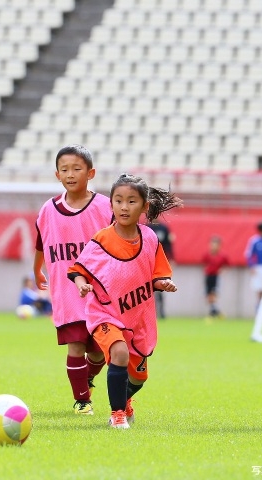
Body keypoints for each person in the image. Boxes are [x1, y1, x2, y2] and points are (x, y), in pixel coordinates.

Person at [68, 173, 182, 428]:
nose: (124, 206)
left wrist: (162, 283)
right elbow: (78, 269)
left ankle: (124, 399)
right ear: (111, 205)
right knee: (118, 353)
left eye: (131, 201)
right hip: (105, 314)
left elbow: (156, 274)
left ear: (144, 206)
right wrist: (82, 284)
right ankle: (117, 414)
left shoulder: (150, 239)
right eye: (118, 200)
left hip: (138, 318)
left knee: (139, 378)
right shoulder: (102, 239)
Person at [33, 144, 113, 415]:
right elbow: (41, 242)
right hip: (66, 290)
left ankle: (86, 378)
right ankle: (82, 400)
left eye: (77, 168)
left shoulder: (105, 206)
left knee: (101, 350)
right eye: (64, 169)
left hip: (101, 288)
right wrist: (37, 270)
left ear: (90, 172)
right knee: (76, 344)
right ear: (57, 175)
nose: (70, 174)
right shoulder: (48, 209)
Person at [147, 218, 175, 319]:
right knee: (148, 290)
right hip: (147, 263)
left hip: (160, 263)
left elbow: (168, 245)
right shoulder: (146, 228)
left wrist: (171, 259)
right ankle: (149, 313)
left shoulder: (164, 228)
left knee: (160, 287)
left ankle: (161, 311)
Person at [201, 236, 229, 319]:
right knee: (208, 295)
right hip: (208, 276)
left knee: (214, 294)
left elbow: (227, 265)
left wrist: (222, 271)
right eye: (212, 244)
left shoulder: (222, 256)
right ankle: (216, 312)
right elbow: (204, 263)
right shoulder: (207, 255)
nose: (213, 246)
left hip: (216, 277)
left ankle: (212, 313)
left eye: (216, 244)